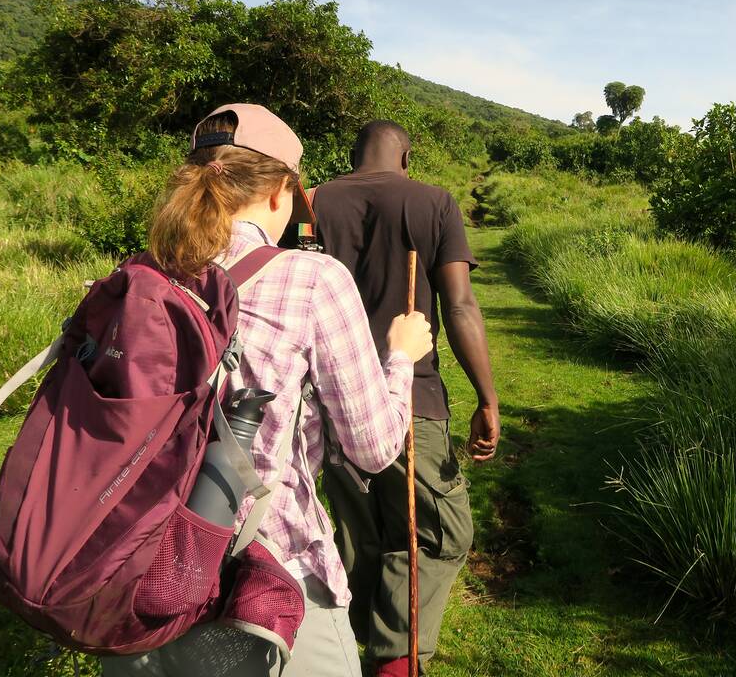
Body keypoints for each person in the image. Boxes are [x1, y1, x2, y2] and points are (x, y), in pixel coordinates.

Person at [101, 105, 433, 677]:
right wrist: (399, 356)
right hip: (263, 571)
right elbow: (374, 448)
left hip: (135, 567)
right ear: (282, 192)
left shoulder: (140, 276)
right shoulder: (312, 279)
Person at [314, 120, 500, 677]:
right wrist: (486, 396)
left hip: (332, 400)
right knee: (440, 534)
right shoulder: (434, 202)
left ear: (352, 156)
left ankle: (356, 652)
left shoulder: (312, 202)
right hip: (412, 398)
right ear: (407, 157)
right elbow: (461, 306)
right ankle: (394, 663)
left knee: (359, 536)